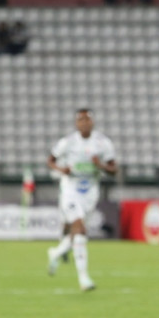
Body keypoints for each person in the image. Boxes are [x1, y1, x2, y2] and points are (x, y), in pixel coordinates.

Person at [46, 109, 117, 291]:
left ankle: (56, 253)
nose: (84, 123)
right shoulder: (67, 142)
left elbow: (114, 169)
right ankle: (83, 278)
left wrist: (100, 165)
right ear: (76, 123)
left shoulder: (103, 143)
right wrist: (61, 170)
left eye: (87, 120)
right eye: (81, 120)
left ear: (92, 122)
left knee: (77, 232)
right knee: (80, 229)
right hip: (70, 190)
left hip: (90, 192)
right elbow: (50, 160)